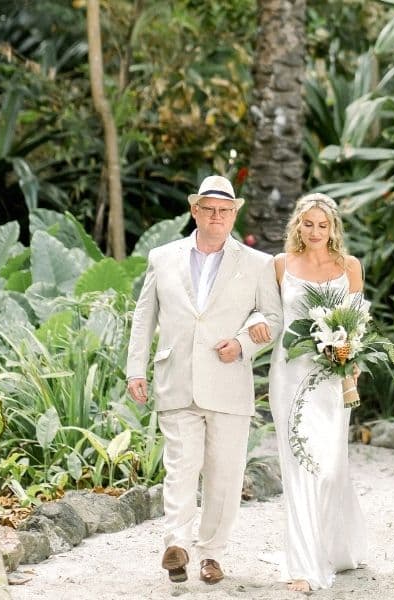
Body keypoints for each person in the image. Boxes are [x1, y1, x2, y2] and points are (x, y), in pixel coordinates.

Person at [126, 175, 282, 585]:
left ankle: (212, 554)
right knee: (180, 467)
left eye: (225, 211)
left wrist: (245, 343)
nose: (217, 217)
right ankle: (176, 545)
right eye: (209, 209)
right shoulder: (162, 257)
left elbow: (273, 317)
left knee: (224, 475)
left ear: (234, 214)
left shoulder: (258, 264)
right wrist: (135, 369)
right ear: (194, 210)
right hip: (176, 378)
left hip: (229, 381)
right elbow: (145, 316)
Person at [248, 192, 367, 592]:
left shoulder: (349, 267)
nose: (315, 231)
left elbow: (356, 325)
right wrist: (254, 327)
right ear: (297, 225)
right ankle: (303, 565)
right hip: (290, 375)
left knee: (331, 467)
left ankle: (334, 547)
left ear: (333, 228)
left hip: (332, 378)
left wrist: (347, 361)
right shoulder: (279, 266)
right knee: (300, 466)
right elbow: (267, 314)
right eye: (308, 224)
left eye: (323, 225)